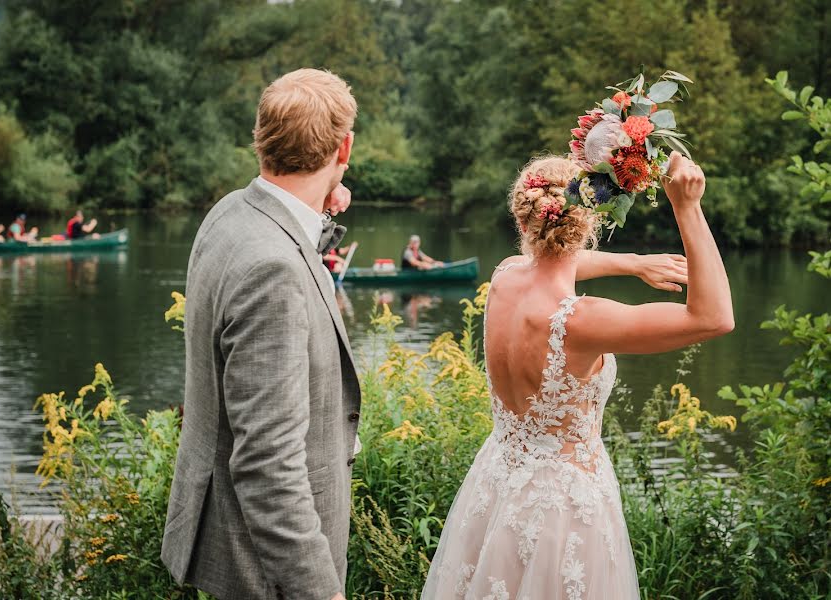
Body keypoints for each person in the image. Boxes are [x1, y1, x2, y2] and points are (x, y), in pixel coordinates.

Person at [422, 153, 733, 599]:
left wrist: (633, 263)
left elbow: (554, 262)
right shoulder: (580, 322)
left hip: (498, 485)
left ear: (522, 217)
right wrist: (687, 206)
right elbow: (714, 317)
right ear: (590, 224)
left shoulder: (505, 278)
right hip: (563, 508)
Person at [161, 69, 361, 600]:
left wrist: (318, 206)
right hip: (263, 569)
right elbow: (267, 465)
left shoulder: (230, 213)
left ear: (261, 138)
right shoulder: (271, 271)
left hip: (226, 541)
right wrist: (321, 592)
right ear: (345, 147)